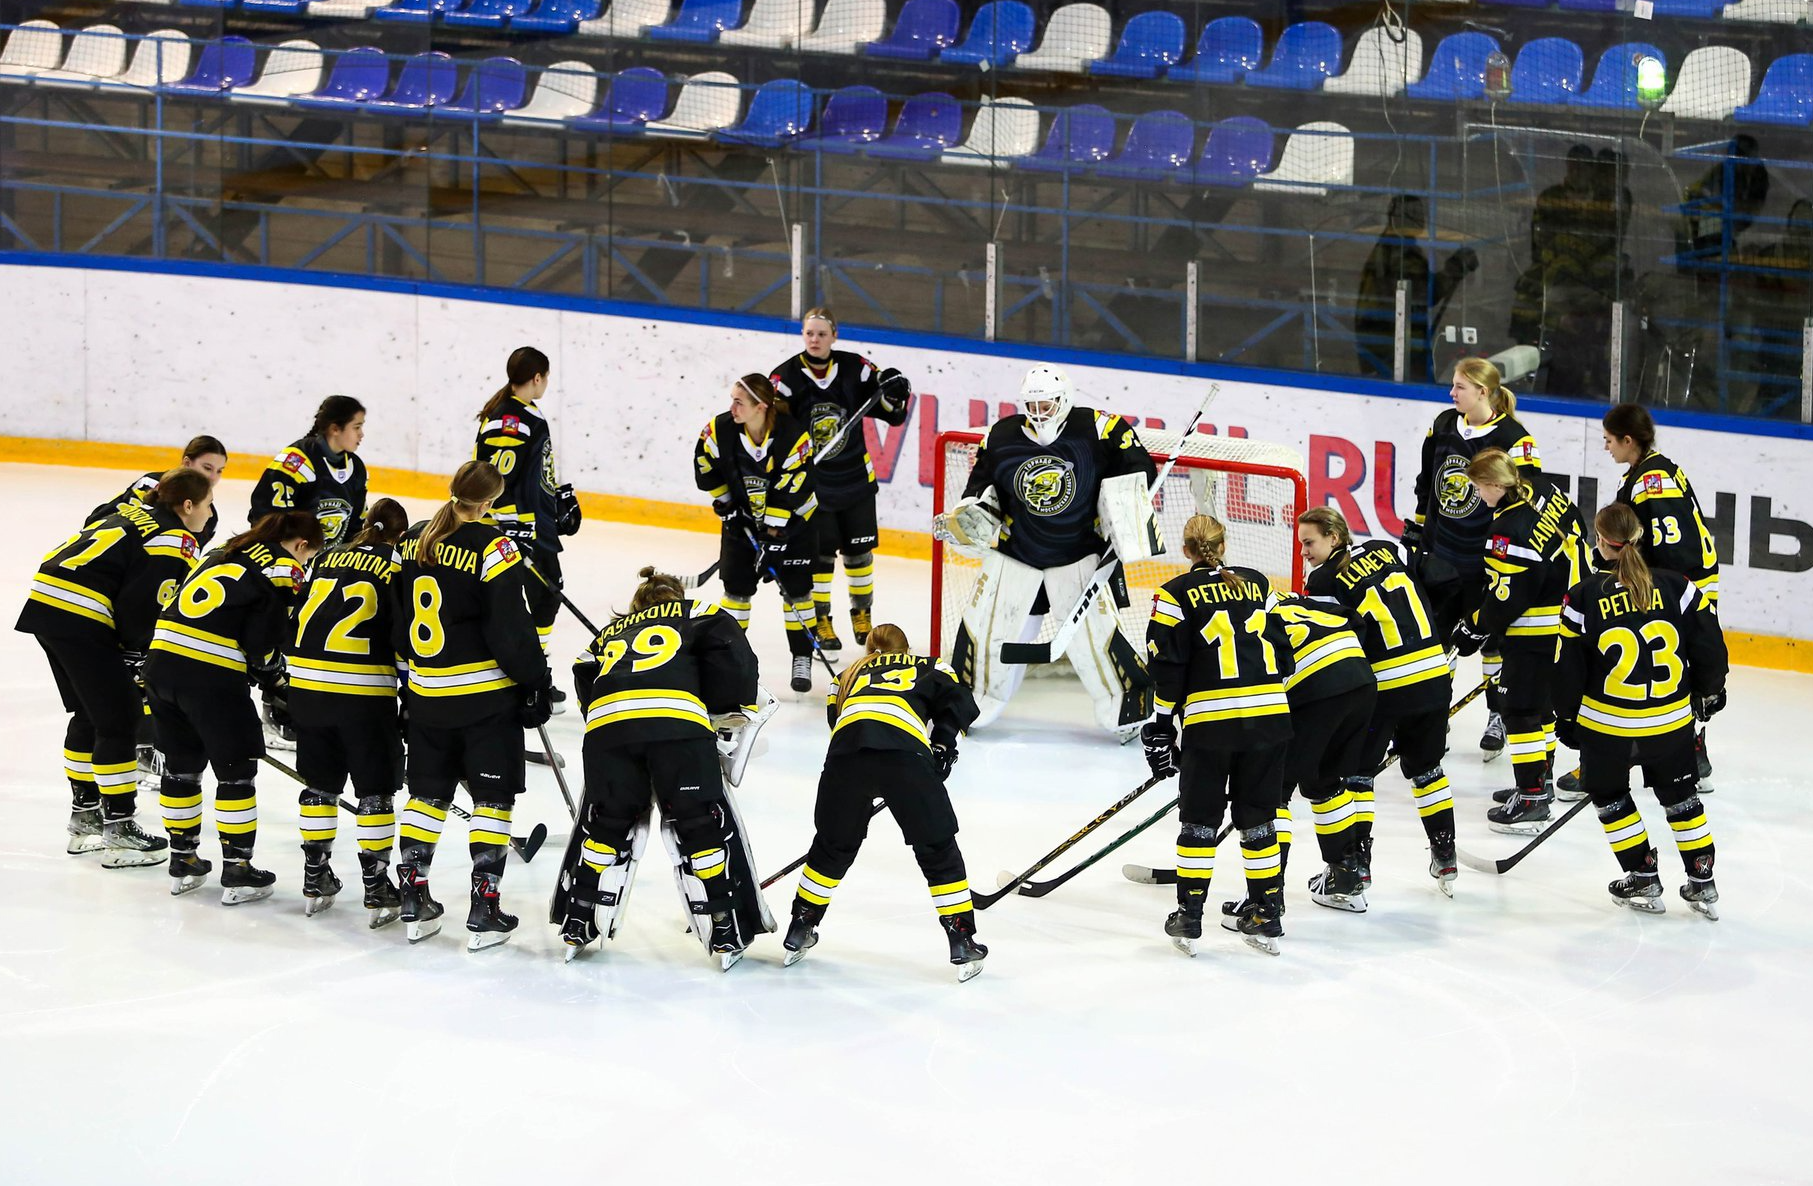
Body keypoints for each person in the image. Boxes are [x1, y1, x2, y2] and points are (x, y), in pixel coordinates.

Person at [554, 566, 770, 970]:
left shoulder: (606, 634)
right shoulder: (701, 611)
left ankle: (578, 918)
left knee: (608, 823)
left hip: (607, 732)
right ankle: (723, 925)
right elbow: (734, 657)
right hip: (676, 730)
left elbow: (584, 673)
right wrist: (723, 709)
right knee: (698, 824)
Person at [937, 364, 1157, 737]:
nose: (1039, 413)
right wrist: (970, 515)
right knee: (986, 634)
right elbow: (979, 489)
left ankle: (1129, 712)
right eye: (1032, 405)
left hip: (1079, 556)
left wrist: (1126, 513)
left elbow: (1141, 472)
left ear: (1065, 399)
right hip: (1016, 555)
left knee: (1097, 639)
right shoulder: (1000, 435)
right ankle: (968, 707)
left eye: (1047, 405)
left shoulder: (1100, 429)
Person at [392, 461, 552, 950]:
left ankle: (413, 896)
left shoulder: (413, 540)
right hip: (484, 699)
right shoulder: (494, 548)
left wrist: (409, 681)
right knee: (492, 800)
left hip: (426, 696)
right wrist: (536, 683)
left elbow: (397, 620)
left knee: (427, 795)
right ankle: (485, 907)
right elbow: (510, 628)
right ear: (488, 502)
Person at [17, 469, 211, 866]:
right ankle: (119, 830)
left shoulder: (131, 513)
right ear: (187, 505)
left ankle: (85, 818)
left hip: (47, 606)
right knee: (119, 718)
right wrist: (136, 653)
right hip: (82, 617)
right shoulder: (176, 538)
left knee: (91, 713)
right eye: (208, 505)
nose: (210, 514)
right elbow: (144, 603)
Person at [1553, 503, 1728, 919]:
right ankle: (1703, 880)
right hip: (1669, 724)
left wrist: (1565, 716)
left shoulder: (1583, 596)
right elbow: (1710, 649)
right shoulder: (1678, 586)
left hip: (1607, 728)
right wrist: (1708, 691)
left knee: (1611, 797)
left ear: (1600, 541)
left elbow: (1567, 669)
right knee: (1682, 799)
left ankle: (1642, 875)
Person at [783, 624, 986, 981]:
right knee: (936, 848)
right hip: (905, 756)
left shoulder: (847, 674)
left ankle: (800, 926)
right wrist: (942, 744)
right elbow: (960, 701)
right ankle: (962, 940)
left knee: (832, 847)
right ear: (905, 650)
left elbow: (837, 719)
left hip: (846, 757)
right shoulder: (930, 665)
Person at [146, 510, 324, 903]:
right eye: (308, 558)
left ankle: (184, 859)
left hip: (161, 663)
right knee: (235, 774)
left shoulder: (225, 551)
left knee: (181, 768)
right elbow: (262, 645)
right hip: (210, 676)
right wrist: (277, 680)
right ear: (301, 545)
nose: (305, 565)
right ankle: (238, 870)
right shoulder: (283, 568)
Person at [1142, 515, 1295, 956]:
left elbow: (1167, 668)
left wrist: (1160, 725)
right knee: (1260, 819)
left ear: (1186, 549)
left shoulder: (1174, 594)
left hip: (1212, 725)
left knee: (1199, 822)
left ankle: (1189, 915)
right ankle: (1266, 912)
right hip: (1270, 720)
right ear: (1223, 545)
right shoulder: (1260, 584)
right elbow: (1284, 649)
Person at [1299, 506, 1457, 896]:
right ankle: (1445, 853)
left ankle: (1358, 864)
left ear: (1334, 538)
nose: (1304, 551)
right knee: (1427, 768)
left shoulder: (1322, 580)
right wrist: (1439, 635)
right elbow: (1448, 579)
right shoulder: (1391, 549)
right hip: (1435, 675)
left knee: (1357, 771)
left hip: (1385, 687)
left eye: (1309, 542)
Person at [1406, 356, 1543, 759]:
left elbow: (1526, 499)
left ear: (1483, 392)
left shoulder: (1516, 439)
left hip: (1487, 561)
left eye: (1460, 387)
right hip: (1441, 555)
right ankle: (1435, 715)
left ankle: (1496, 716)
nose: (1452, 394)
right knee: (1437, 642)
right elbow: (1426, 480)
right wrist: (1418, 527)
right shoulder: (1444, 424)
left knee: (1491, 642)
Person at [284, 497, 410, 926]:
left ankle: (315, 876)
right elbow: (403, 635)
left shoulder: (326, 558)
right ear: (399, 536)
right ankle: (376, 887)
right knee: (375, 790)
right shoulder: (398, 567)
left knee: (320, 784)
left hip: (305, 684)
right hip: (362, 692)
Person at [768, 308, 912, 653]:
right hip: (814, 485)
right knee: (820, 558)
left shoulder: (857, 369)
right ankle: (821, 619)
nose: (814, 340)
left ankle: (862, 614)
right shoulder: (785, 378)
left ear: (834, 335)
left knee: (859, 553)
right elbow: (777, 431)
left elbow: (893, 414)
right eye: (809, 334)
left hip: (855, 480)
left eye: (821, 334)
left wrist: (895, 392)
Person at [1451, 449, 1575, 835]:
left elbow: (1508, 597)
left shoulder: (1506, 530)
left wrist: (1473, 629)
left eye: (1478, 486)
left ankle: (1532, 796)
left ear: (1494, 485)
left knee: (1519, 711)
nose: (1477, 494)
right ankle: (1541, 782)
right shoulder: (1543, 498)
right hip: (1562, 624)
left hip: (1533, 634)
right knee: (1540, 711)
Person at [1600, 402, 1721, 790]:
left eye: (1609, 440)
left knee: (1674, 662)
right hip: (1680, 581)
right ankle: (1684, 749)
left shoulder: (1653, 481)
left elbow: (1674, 547)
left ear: (1628, 440)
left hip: (1685, 584)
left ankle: (1686, 751)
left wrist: (1663, 592)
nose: (1607, 448)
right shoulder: (1649, 469)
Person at [693, 373, 821, 694]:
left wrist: (775, 536)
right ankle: (731, 656)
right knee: (736, 592)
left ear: (760, 407)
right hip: (742, 522)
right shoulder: (719, 429)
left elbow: (792, 487)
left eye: (739, 402)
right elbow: (704, 464)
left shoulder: (794, 436)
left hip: (794, 523)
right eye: (732, 400)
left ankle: (802, 656)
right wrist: (725, 504)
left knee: (798, 593)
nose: (732, 407)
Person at [472, 346, 580, 679]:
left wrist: (558, 495)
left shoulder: (525, 411)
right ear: (537, 378)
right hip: (521, 529)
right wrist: (510, 525)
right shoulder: (512, 420)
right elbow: (495, 478)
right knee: (539, 597)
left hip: (534, 524)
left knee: (544, 596)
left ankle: (532, 669)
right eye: (545, 377)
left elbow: (535, 468)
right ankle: (530, 674)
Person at [1270, 593, 1378, 914]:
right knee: (1325, 780)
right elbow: (1356, 621)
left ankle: (1268, 893)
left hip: (1317, 688)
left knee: (1274, 789)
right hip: (1360, 679)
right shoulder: (1303, 603)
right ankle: (1345, 877)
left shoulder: (1252, 619)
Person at [1352, 193, 1478, 380]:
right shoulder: (1402, 253)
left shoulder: (1388, 244)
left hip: (1377, 337)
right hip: (1390, 342)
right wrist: (1454, 269)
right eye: (1416, 214)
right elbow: (1425, 294)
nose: (1422, 218)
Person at [249, 395, 368, 547]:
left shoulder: (356, 469)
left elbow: (355, 527)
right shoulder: (295, 461)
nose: (361, 434)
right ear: (335, 429)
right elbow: (266, 517)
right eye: (356, 427)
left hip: (325, 566)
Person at [87, 435, 228, 547]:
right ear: (186, 463)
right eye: (207, 468)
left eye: (219, 471)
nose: (213, 478)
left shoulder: (209, 517)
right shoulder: (152, 485)